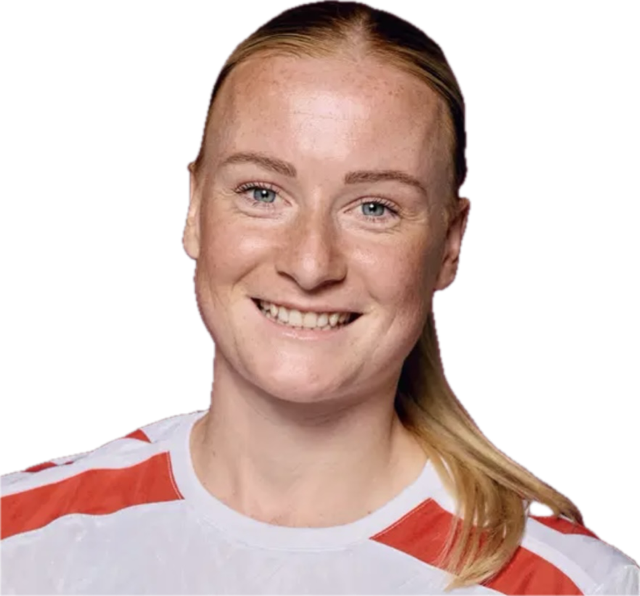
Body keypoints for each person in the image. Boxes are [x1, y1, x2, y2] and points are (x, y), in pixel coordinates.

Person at [1, 1, 637, 594]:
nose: (310, 265)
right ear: (194, 209)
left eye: (374, 207)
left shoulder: (574, 585)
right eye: (262, 193)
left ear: (449, 244)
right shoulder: (17, 537)